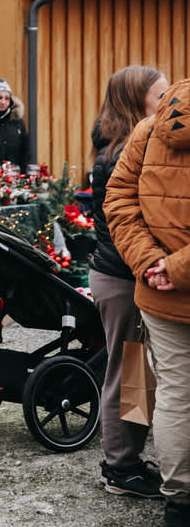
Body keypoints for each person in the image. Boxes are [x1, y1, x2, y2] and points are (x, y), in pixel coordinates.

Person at [106, 76, 190, 527]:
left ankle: (179, 498)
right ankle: (125, 466)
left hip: (156, 288)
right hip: (154, 284)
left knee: (174, 392)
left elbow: (118, 199)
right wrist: (165, 266)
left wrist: (155, 263)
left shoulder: (148, 129)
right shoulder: (144, 130)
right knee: (153, 383)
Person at [89, 65, 167, 499]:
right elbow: (128, 225)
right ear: (137, 102)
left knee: (136, 373)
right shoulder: (123, 154)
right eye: (160, 95)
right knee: (126, 373)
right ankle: (120, 467)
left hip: (119, 273)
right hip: (122, 277)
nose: (168, 102)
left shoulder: (117, 146)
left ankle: (128, 460)